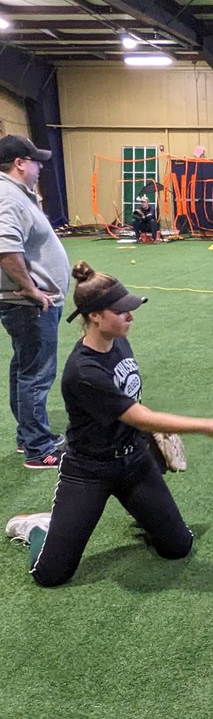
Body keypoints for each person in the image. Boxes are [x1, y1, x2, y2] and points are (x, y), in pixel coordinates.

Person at [4, 261, 213, 588]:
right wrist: (207, 426)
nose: (130, 316)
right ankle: (39, 527)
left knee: (178, 547)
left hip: (133, 461)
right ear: (95, 316)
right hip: (89, 471)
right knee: (51, 575)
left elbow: (131, 399)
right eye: (121, 311)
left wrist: (149, 438)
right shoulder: (84, 371)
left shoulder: (118, 341)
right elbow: (137, 416)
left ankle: (145, 514)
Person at [0, 134, 71, 470]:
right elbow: (6, 249)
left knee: (24, 370)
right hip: (29, 306)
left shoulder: (17, 193)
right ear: (19, 163)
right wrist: (31, 289)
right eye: (35, 161)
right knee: (35, 375)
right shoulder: (7, 196)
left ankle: (28, 437)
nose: (40, 167)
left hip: (28, 305)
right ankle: (38, 449)